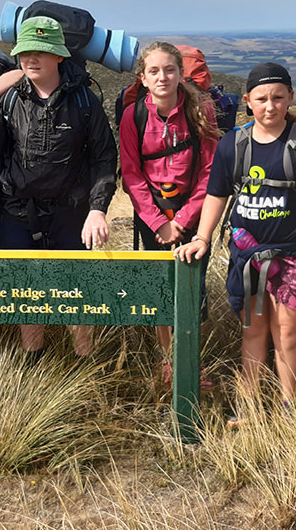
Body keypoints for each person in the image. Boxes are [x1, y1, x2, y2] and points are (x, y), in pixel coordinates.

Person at [176, 62, 296, 408]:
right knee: (252, 332)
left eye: (278, 97)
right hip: (247, 257)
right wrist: (202, 238)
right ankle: (248, 406)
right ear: (248, 101)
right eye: (262, 98)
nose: (271, 106)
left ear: (290, 98)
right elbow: (216, 195)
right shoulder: (232, 146)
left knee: (287, 334)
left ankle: (289, 406)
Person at [0, 16, 117, 361]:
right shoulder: (10, 101)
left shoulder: (86, 102)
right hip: (17, 213)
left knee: (76, 289)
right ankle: (34, 359)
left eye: (41, 50)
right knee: (27, 289)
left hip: (71, 214)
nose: (31, 58)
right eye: (25, 50)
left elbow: (103, 158)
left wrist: (97, 209)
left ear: (59, 56)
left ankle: (84, 361)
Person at [118, 41, 220, 381]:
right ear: (143, 78)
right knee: (161, 290)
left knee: (192, 287)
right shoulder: (133, 116)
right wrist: (159, 222)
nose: (163, 77)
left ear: (180, 74)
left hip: (193, 213)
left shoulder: (200, 111)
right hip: (153, 218)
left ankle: (191, 361)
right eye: (154, 71)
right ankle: (167, 362)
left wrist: (186, 219)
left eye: (170, 70)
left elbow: (209, 171)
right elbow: (131, 174)